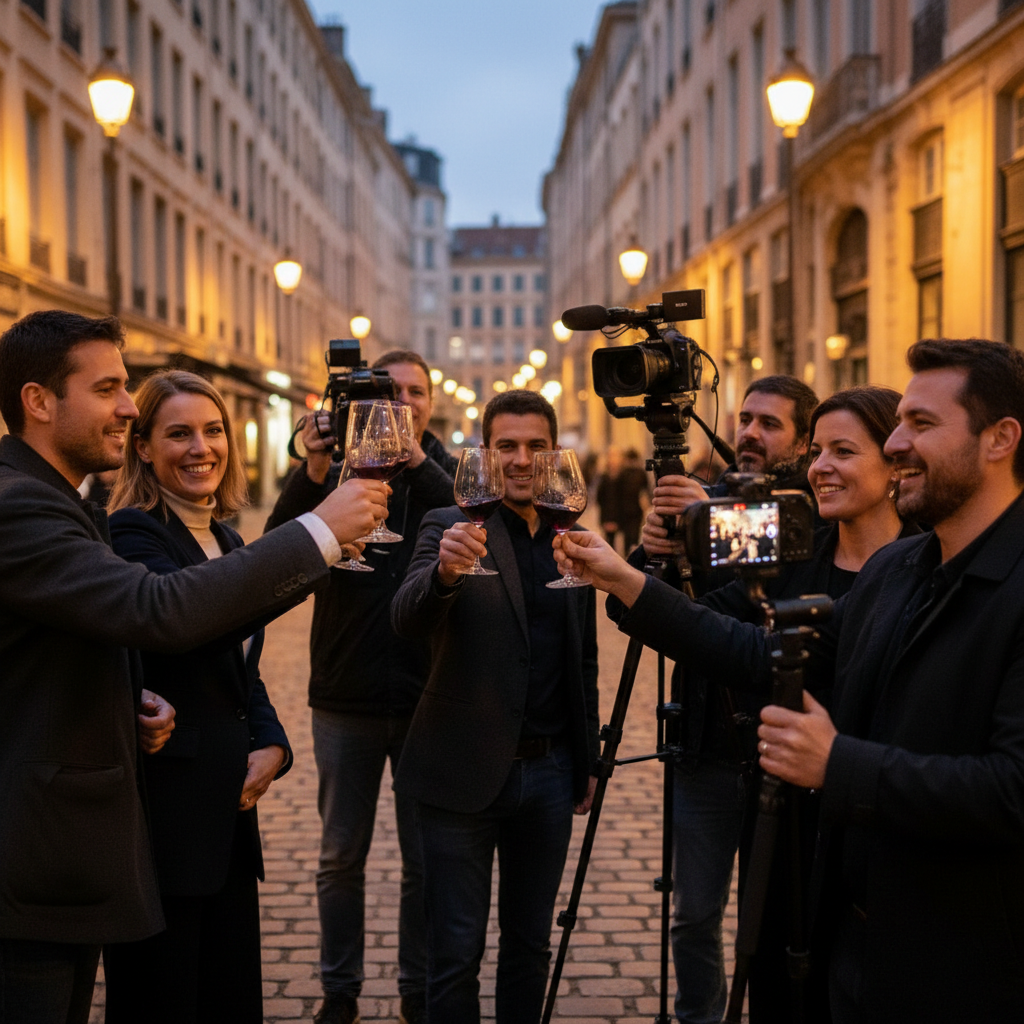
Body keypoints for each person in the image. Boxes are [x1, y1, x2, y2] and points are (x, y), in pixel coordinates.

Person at [555, 339, 1024, 1023]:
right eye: (897, 425)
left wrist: (838, 764)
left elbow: (1011, 792)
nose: (897, 444)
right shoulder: (905, 569)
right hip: (843, 934)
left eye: (920, 424)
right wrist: (625, 578)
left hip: (963, 960)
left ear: (1001, 439)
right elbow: (755, 650)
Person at [0, 310, 387, 1024]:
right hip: (47, 857)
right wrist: (323, 528)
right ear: (38, 401)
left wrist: (132, 701)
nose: (125, 405)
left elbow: (80, 646)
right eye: (110, 388)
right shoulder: (22, 507)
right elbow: (161, 613)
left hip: (111, 846)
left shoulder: (64, 502)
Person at [622, 385, 912, 1024]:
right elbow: (707, 623)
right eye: (821, 452)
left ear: (895, 462)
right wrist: (645, 563)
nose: (822, 466)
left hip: (870, 813)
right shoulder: (795, 544)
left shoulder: (916, 568)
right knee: (759, 958)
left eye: (843, 450)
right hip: (775, 802)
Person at [390, 390, 600, 1024]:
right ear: (484, 454)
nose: (521, 459)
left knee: (529, 946)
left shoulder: (572, 535)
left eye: (536, 445)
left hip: (549, 771)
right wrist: (444, 576)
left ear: (553, 453)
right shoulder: (448, 523)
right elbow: (406, 617)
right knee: (454, 954)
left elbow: (582, 656)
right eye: (506, 445)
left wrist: (585, 758)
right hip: (460, 770)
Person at [265, 350, 458, 1024]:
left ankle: (415, 988)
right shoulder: (341, 468)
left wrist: (412, 459)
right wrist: (313, 468)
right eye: (388, 392)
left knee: (421, 861)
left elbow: (468, 515)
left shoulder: (443, 472)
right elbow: (273, 547)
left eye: (415, 391)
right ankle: (339, 991)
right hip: (342, 692)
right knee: (339, 856)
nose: (402, 403)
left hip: (424, 696)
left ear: (431, 402)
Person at [97, 370, 289, 1023]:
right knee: (164, 998)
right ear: (143, 447)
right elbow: (189, 630)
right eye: (178, 433)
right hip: (168, 817)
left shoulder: (227, 538)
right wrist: (309, 552)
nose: (200, 447)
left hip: (229, 814)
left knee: (229, 996)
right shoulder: (132, 534)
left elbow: (239, 669)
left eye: (213, 432)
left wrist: (272, 741)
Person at [634, 374, 818, 1024]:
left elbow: (732, 609)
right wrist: (654, 547)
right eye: (744, 419)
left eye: (770, 424)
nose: (749, 433)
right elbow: (660, 608)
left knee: (775, 921)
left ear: (804, 440)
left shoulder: (808, 517)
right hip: (706, 744)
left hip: (778, 750)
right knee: (692, 916)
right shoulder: (707, 504)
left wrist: (704, 526)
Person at [596, 446, 649, 552]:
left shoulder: (622, 474)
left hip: (627, 513)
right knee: (626, 540)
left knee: (627, 540)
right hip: (627, 513)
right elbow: (605, 499)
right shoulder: (612, 476)